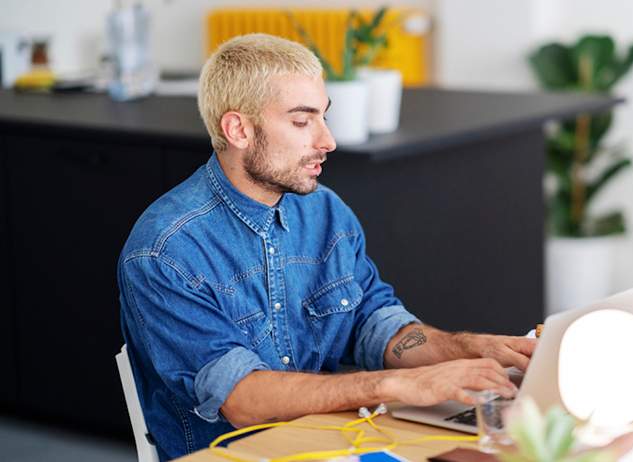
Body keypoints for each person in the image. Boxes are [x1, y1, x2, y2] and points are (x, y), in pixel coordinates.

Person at [118, 33, 536, 460]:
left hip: (336, 442)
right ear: (238, 129)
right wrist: (392, 385)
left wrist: (472, 348)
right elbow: (241, 399)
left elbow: (375, 325)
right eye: (303, 122)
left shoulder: (325, 213)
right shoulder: (165, 251)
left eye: (324, 117)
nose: (328, 141)